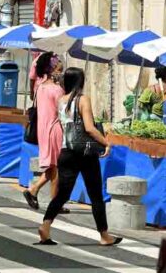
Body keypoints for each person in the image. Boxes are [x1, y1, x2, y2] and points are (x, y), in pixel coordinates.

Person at [38, 67, 122, 247]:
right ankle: (104, 235)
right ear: (81, 82)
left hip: (66, 151)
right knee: (95, 194)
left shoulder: (61, 100)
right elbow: (90, 128)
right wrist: (106, 143)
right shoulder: (83, 100)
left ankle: (45, 226)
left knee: (62, 194)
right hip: (84, 153)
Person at [23, 52, 65, 211]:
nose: (60, 72)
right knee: (56, 167)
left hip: (43, 129)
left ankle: (35, 191)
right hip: (54, 129)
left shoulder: (40, 88)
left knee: (52, 166)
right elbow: (63, 112)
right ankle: (53, 201)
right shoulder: (57, 90)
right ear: (52, 70)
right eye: (58, 69)